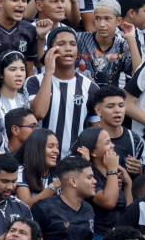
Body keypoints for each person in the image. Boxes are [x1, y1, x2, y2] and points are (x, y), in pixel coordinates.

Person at [27, 26, 99, 155]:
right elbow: (39, 113)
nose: (68, 48)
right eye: (61, 44)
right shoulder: (34, 82)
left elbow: (95, 132)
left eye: (73, 44)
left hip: (74, 164)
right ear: (50, 50)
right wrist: (48, 71)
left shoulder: (91, 87)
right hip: (40, 160)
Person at [70, 127, 133, 240]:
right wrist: (112, 170)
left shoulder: (112, 176)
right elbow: (108, 202)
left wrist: (129, 183)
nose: (113, 145)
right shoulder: (90, 177)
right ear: (93, 152)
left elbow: (126, 210)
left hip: (117, 239)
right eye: (107, 143)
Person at [31, 156, 96, 240]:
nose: (95, 181)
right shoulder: (43, 208)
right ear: (73, 181)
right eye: (89, 177)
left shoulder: (88, 208)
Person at [76, 0, 141, 87]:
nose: (102, 24)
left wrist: (131, 40)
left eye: (107, 19)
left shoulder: (123, 45)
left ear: (118, 21)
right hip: (81, 95)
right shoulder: (78, 39)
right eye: (98, 18)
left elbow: (139, 74)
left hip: (110, 97)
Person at [92, 86, 144, 173]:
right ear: (98, 110)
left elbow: (140, 179)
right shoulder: (89, 138)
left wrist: (139, 172)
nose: (117, 110)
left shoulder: (134, 140)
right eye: (110, 106)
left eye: (121, 106)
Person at [13, 129, 60, 207]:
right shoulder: (21, 171)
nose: (56, 151)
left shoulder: (55, 175)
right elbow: (26, 207)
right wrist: (53, 186)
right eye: (50, 146)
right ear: (36, 149)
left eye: (57, 147)